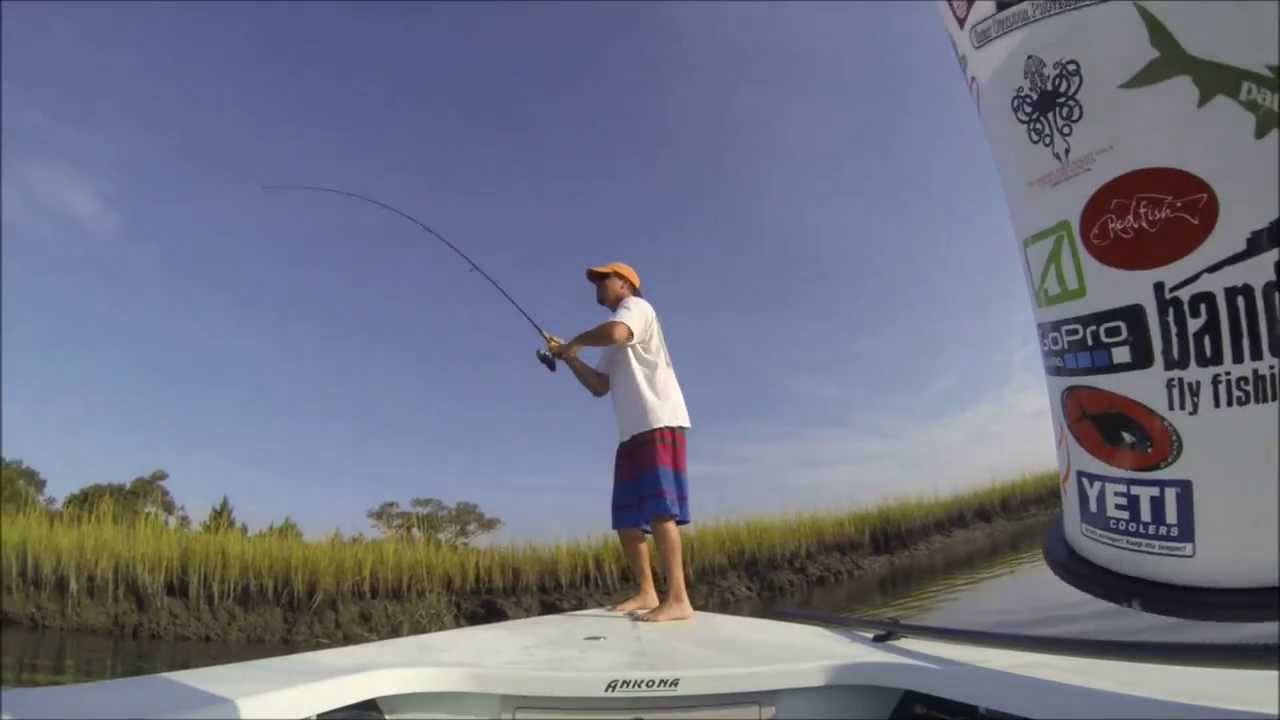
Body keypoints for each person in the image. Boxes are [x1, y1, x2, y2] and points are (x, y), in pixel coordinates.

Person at [545, 261, 694, 622]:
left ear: (626, 284)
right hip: (631, 432)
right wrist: (568, 357)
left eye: (603, 278)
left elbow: (614, 333)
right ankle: (646, 591)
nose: (597, 284)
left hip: (658, 421)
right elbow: (599, 386)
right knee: (626, 518)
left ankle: (678, 599)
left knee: (661, 511)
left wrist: (576, 342)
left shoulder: (637, 310)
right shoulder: (617, 335)